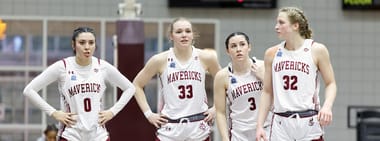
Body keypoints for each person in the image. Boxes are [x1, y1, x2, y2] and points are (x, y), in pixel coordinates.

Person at [23, 27, 136, 141]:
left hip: (98, 135)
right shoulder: (63, 67)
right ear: (73, 45)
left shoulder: (102, 66)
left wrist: (112, 112)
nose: (87, 47)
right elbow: (29, 90)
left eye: (91, 43)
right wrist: (54, 113)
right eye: (82, 42)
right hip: (71, 134)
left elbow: (130, 88)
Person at [256, 7, 337, 141]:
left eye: (281, 23)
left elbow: (331, 83)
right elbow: (267, 92)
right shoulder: (271, 53)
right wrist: (259, 125)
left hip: (309, 121)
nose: (276, 27)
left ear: (295, 25)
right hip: (280, 123)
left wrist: (327, 106)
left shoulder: (316, 49)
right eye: (277, 23)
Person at [133, 17, 221, 141]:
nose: (184, 35)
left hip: (198, 129)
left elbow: (226, 83)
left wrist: (216, 108)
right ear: (171, 36)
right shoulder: (159, 60)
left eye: (188, 31)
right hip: (170, 129)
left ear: (192, 35)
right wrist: (149, 114)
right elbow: (137, 85)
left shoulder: (206, 58)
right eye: (179, 32)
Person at [214, 32, 271, 141]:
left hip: (265, 128)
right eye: (233, 46)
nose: (238, 49)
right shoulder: (222, 76)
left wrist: (264, 78)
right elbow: (220, 112)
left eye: (242, 44)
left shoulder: (263, 66)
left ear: (249, 47)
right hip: (239, 133)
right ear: (227, 51)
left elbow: (278, 94)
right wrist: (225, 138)